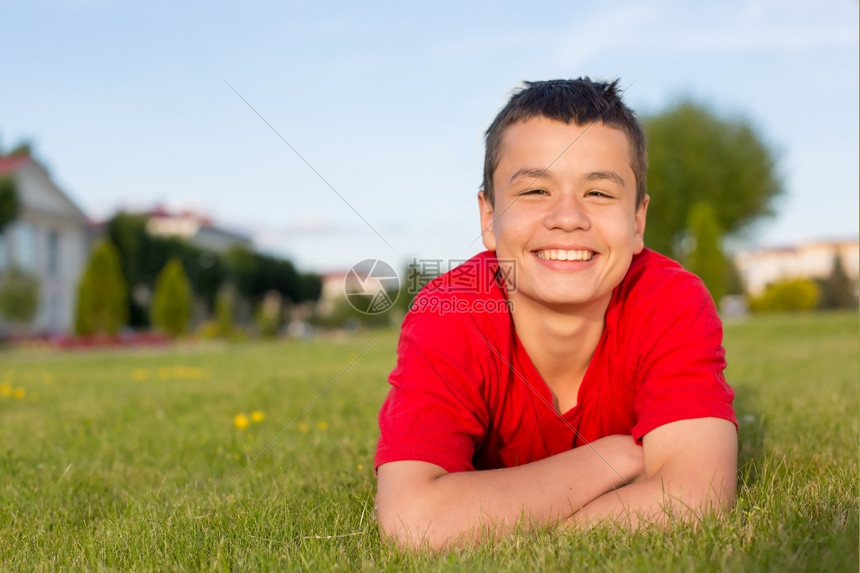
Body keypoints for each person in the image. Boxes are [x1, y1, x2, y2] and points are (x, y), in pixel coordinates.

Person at [374, 78, 738, 551]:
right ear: (488, 217)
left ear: (637, 222)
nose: (567, 217)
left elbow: (697, 497)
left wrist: (500, 525)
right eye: (535, 191)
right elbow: (414, 521)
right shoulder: (451, 309)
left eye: (600, 194)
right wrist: (615, 457)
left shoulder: (671, 301)